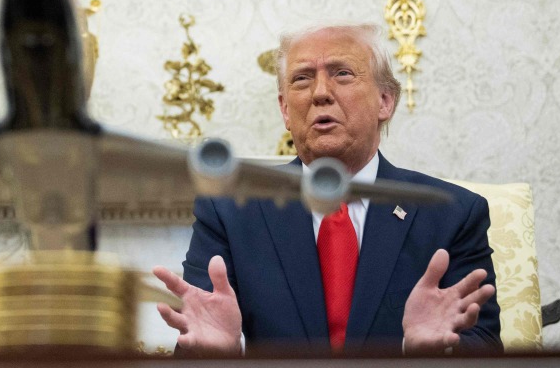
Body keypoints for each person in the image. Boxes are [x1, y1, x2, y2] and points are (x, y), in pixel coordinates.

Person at [154, 24, 502, 355]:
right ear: (285, 109)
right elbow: (199, 337)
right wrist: (225, 352)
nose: (320, 93)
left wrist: (429, 353)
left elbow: (485, 345)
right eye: (302, 79)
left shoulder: (451, 213)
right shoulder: (229, 210)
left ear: (385, 100)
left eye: (342, 74)